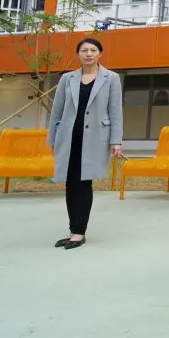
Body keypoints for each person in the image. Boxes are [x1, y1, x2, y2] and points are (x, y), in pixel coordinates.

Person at [47, 37, 123, 250]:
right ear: (78, 54)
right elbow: (57, 111)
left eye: (93, 50)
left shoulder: (111, 78)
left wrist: (116, 140)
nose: (88, 54)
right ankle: (73, 231)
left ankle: (79, 232)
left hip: (96, 137)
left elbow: (115, 111)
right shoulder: (67, 79)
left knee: (83, 183)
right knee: (70, 183)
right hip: (68, 136)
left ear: (100, 54)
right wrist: (53, 138)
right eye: (84, 50)